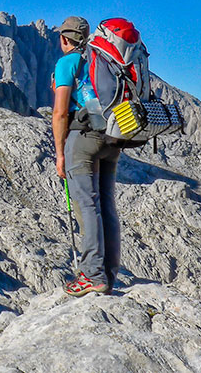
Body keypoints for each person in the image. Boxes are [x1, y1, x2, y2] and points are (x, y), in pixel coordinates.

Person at [52, 16, 120, 296]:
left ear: (65, 39)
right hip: (113, 138)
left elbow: (59, 113)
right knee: (106, 205)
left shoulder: (67, 62)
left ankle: (92, 274)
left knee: (87, 206)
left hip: (83, 140)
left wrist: (59, 154)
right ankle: (109, 273)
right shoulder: (104, 60)